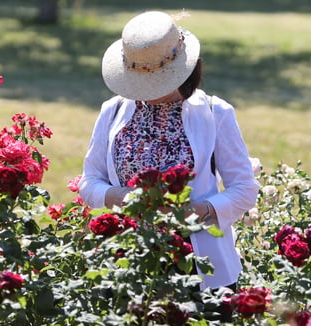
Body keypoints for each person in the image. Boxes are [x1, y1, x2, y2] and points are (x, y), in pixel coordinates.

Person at [79, 10, 260, 291]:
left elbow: (245, 189)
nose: (148, 91)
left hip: (199, 267)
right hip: (128, 264)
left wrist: (195, 211)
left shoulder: (215, 112)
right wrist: (122, 198)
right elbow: (89, 182)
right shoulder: (113, 111)